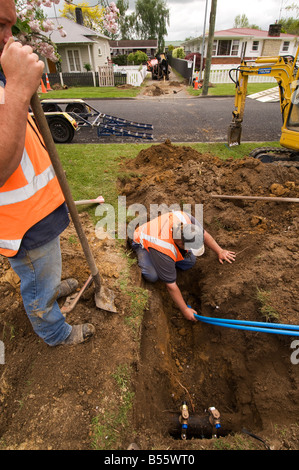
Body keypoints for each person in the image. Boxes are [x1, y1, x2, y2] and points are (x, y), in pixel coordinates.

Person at [0, 0, 95, 346]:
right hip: (23, 224)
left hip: (39, 210)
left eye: (10, 26)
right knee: (38, 281)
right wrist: (16, 88)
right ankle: (55, 331)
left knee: (47, 271)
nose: (9, 38)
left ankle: (52, 288)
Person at [132, 210, 236, 322]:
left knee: (190, 262)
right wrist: (185, 309)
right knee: (152, 276)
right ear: (180, 243)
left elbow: (205, 235)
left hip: (163, 239)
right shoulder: (162, 249)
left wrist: (220, 251)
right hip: (142, 241)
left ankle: (168, 266)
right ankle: (156, 263)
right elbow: (171, 286)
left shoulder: (187, 220)